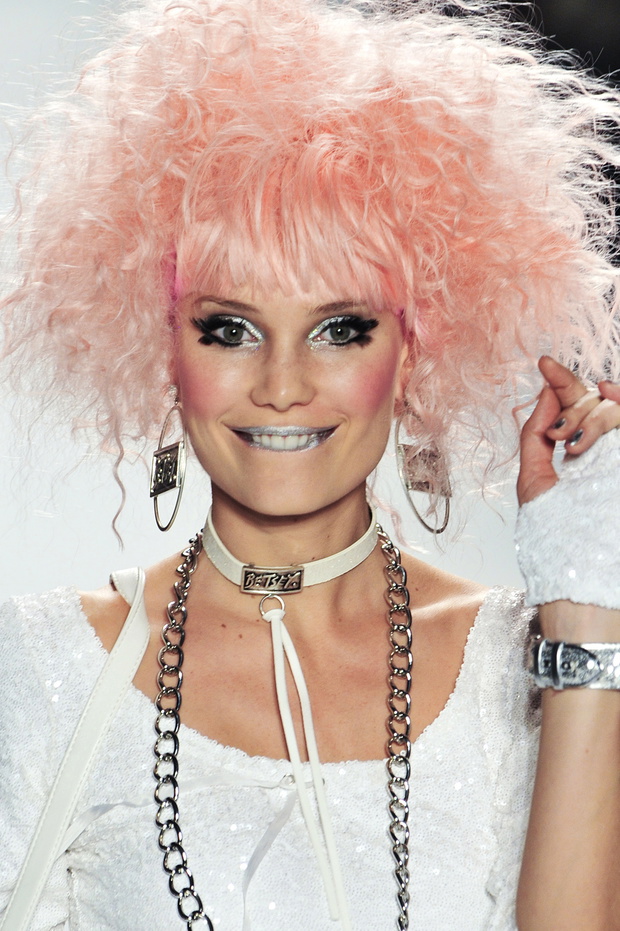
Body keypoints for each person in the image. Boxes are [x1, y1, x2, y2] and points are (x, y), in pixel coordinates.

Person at [1, 0, 620, 928]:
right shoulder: (44, 667)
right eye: (229, 328)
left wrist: (589, 606)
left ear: (411, 355)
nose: (282, 386)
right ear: (165, 351)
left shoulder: (517, 667)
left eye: (340, 329)